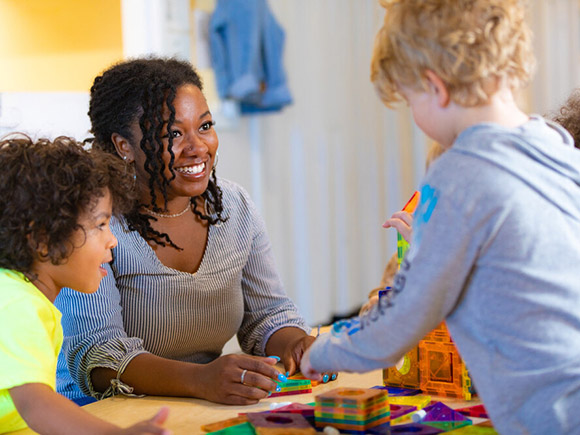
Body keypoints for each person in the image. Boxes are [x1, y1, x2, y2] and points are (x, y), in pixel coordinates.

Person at [301, 0, 580, 433]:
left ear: (436, 87)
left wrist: (319, 352)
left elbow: (399, 324)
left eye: (409, 97)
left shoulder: (458, 174)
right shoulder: (558, 147)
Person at [55, 57, 332, 406]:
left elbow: (268, 315)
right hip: (97, 416)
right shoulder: (96, 223)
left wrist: (296, 345)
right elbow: (99, 357)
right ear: (124, 146)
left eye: (204, 126)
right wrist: (201, 379)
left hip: (196, 406)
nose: (197, 146)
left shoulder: (233, 207)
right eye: (173, 133)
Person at [0, 135, 170, 434]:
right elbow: (36, 406)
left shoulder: (24, 297)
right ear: (43, 239)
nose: (112, 240)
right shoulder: (17, 305)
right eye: (100, 225)